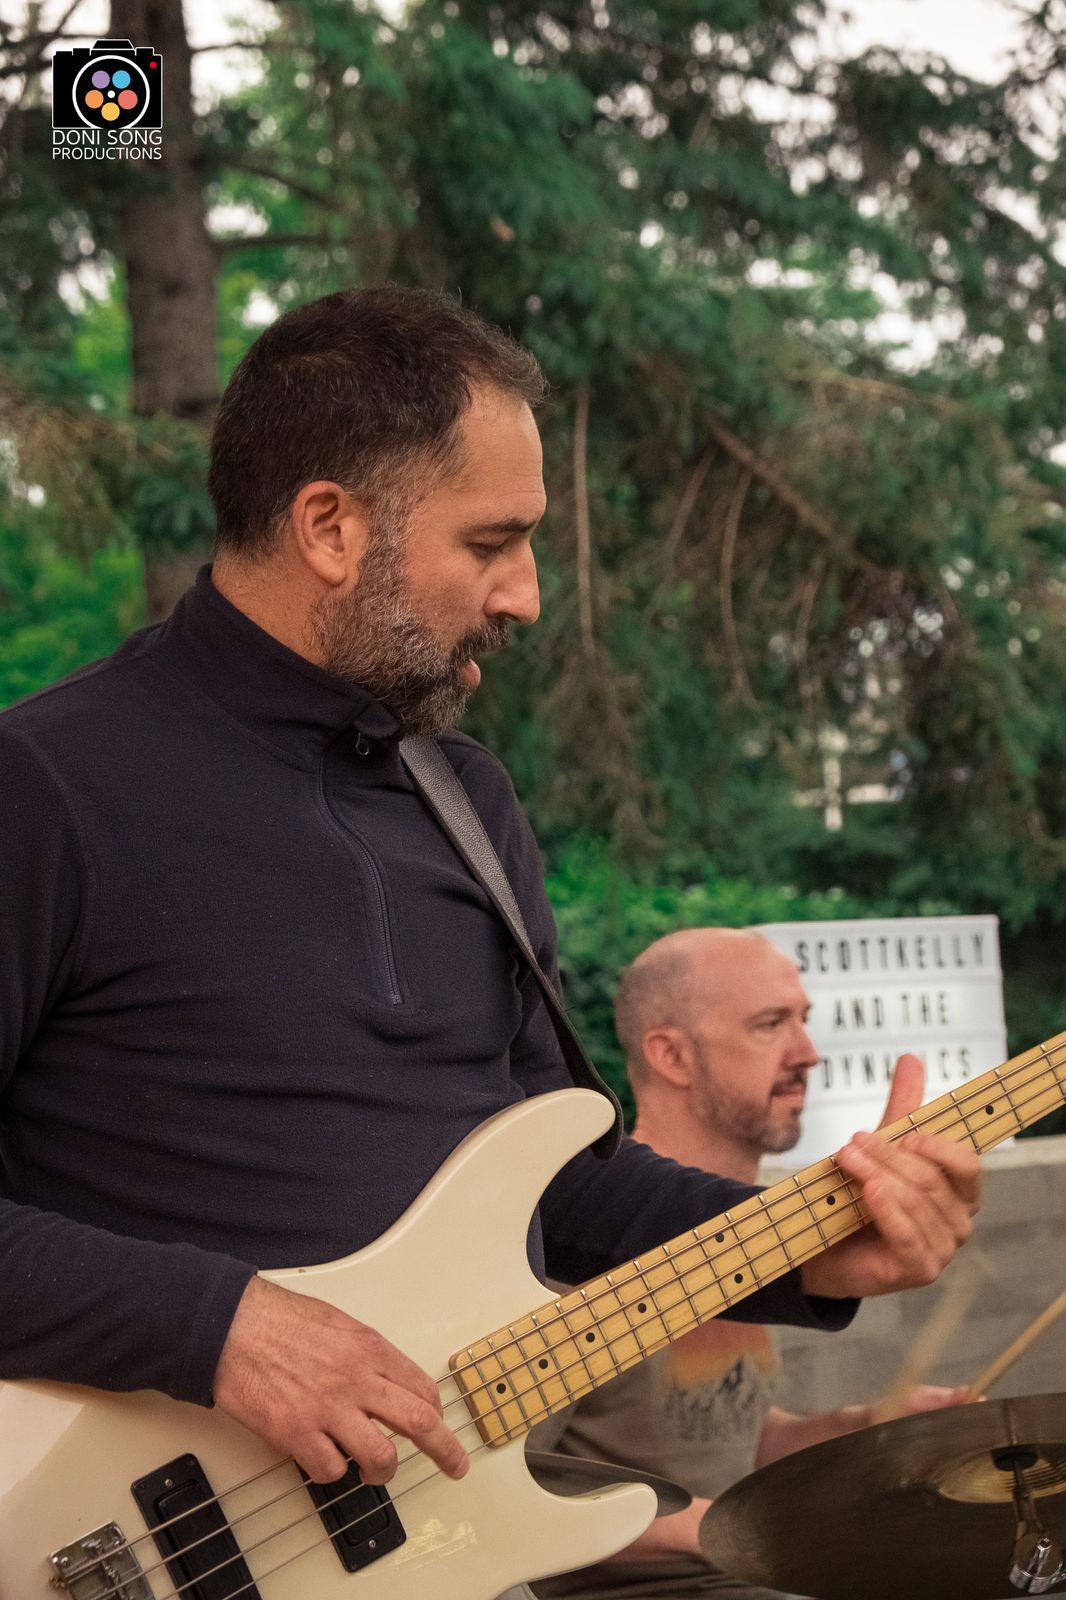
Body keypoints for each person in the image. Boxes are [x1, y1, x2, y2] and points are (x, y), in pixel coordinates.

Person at [0, 288, 980, 1524]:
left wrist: (811, 1246)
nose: (523, 595)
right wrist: (217, 1326)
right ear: (329, 527)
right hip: (115, 1543)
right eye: (489, 543)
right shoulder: (43, 785)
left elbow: (557, 1187)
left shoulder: (465, 801)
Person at [534, 927, 973, 1600]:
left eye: (804, 1020)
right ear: (672, 1055)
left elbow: (724, 1444)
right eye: (771, 1025)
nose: (809, 1053)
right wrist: (742, 1528)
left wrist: (864, 1429)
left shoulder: (755, 1240)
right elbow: (509, 1496)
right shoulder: (584, 1247)